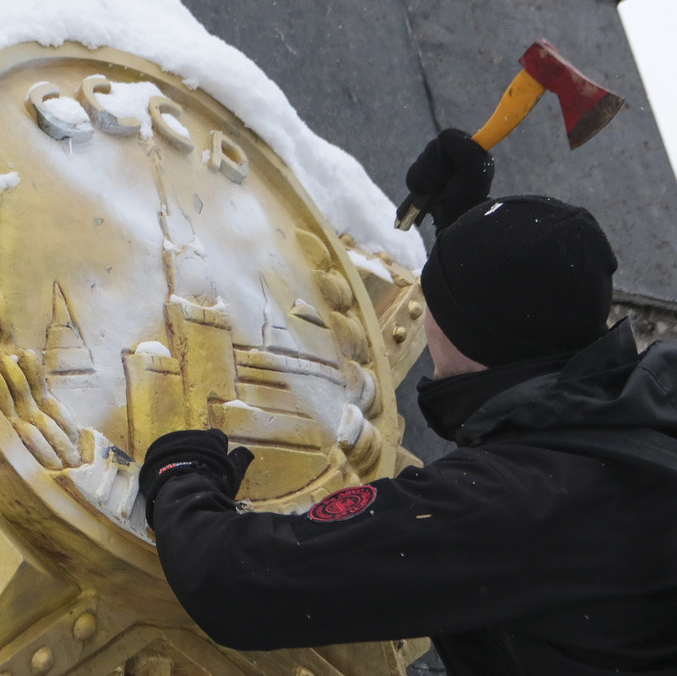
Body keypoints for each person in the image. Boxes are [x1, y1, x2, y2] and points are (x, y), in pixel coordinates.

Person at [137, 129, 677, 675]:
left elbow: (238, 583)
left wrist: (180, 474)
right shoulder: (645, 409)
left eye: (435, 297)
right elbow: (517, 318)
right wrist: (470, 228)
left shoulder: (501, 510)